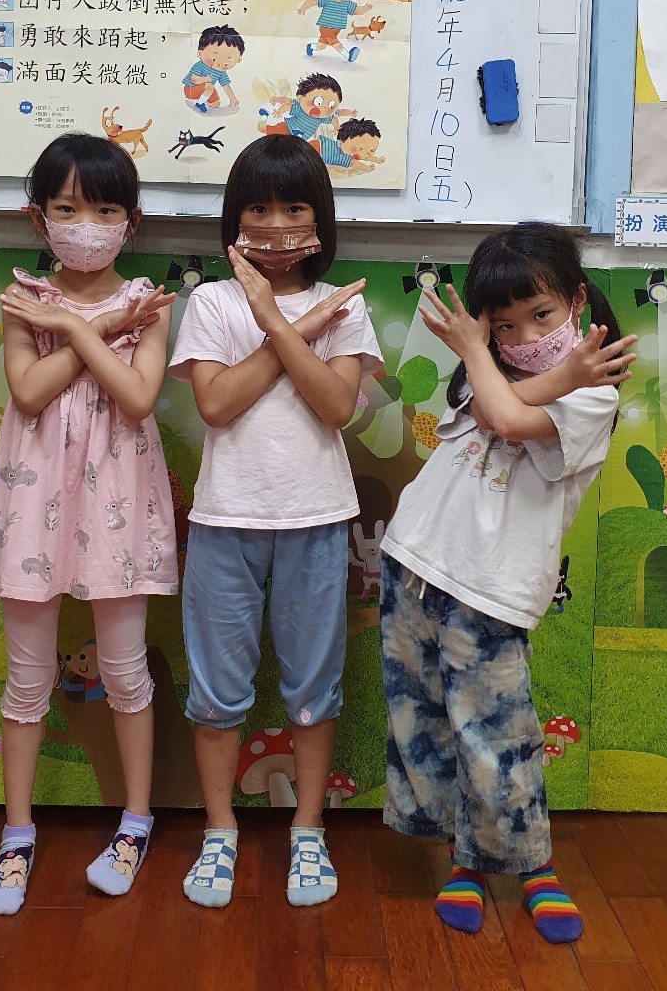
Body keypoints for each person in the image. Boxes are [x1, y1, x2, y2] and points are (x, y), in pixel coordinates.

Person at [378, 223, 636, 944]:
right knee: (425, 724)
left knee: (498, 734)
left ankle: (533, 867)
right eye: (504, 326)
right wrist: (478, 353)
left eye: (541, 315)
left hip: (489, 590)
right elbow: (499, 400)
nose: (525, 336)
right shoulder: (485, 375)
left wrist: (473, 347)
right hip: (413, 566)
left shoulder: (594, 396)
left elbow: (513, 420)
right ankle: (463, 857)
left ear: (578, 300)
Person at [0, 131, 178, 915]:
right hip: (34, 504)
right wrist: (107, 330)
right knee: (27, 680)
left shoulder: (149, 304)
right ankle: (16, 836)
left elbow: (138, 396)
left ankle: (135, 822)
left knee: (125, 672)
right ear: (39, 217)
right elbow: (28, 392)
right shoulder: (24, 298)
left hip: (117, 504)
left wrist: (92, 328)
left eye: (105, 210)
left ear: (131, 221)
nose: (86, 224)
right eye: (67, 208)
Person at [169, 135, 382, 909]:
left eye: (295, 206)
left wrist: (290, 320)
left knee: (314, 688)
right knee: (216, 691)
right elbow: (216, 404)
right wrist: (274, 319)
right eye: (258, 206)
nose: (277, 222)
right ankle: (219, 830)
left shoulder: (345, 305)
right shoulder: (211, 302)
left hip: (317, 518)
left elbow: (335, 406)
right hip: (226, 519)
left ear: (319, 218)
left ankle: (308, 829)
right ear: (234, 218)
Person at [182, 25, 244, 113]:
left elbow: (226, 86)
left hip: (207, 89)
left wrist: (233, 98)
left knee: (216, 104)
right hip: (191, 89)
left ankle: (203, 98)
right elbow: (194, 79)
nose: (219, 64)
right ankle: (199, 103)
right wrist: (205, 79)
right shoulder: (200, 65)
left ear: (238, 60)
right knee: (210, 86)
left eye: (226, 63)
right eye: (214, 59)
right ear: (200, 54)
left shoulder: (221, 72)